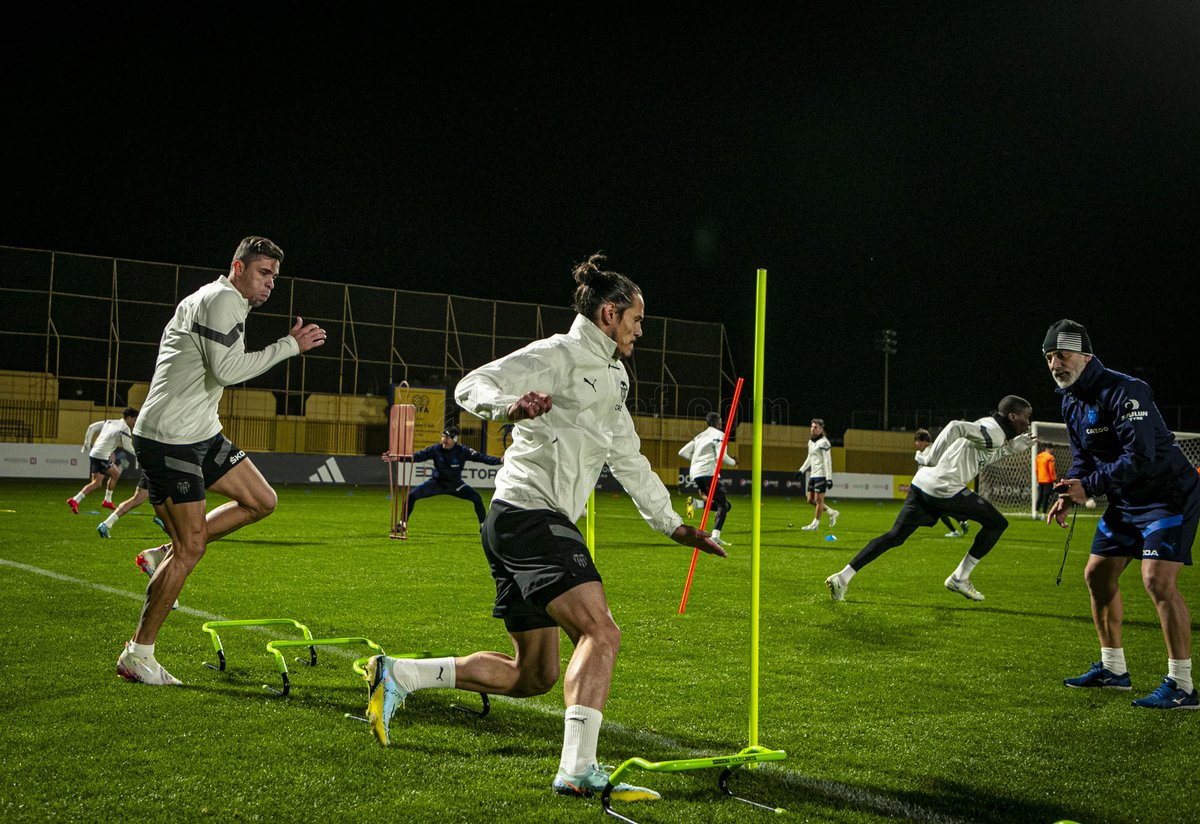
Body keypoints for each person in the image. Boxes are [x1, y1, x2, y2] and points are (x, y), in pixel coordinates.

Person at [361, 253, 727, 803]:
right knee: (601, 632)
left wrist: (673, 525)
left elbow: (627, 456)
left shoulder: (615, 377)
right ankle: (578, 770)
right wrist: (510, 406)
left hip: (519, 521)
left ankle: (400, 675)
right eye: (636, 320)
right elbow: (470, 387)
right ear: (610, 313)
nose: (640, 330)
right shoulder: (557, 354)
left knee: (532, 676)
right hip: (531, 515)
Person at [115, 236, 326, 686]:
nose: (270, 284)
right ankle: (138, 654)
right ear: (238, 267)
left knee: (262, 500)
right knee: (192, 549)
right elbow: (228, 371)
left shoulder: (227, 302)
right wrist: (290, 345)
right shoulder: (220, 301)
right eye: (263, 273)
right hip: (169, 438)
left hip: (200, 432)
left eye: (274, 275)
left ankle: (162, 554)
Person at [1044, 319, 1199, 710]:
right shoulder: (1070, 400)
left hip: (1168, 495)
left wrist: (1091, 486)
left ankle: (1183, 685)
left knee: (1157, 581)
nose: (1054, 364)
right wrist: (1069, 491)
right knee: (1096, 574)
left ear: (1085, 355)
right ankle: (1114, 671)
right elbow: (1082, 456)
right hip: (1126, 499)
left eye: (1061, 354)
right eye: (1049, 357)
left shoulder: (1126, 390)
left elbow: (1141, 457)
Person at [825, 396, 1034, 603]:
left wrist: (1008, 450)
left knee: (895, 536)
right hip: (944, 488)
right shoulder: (994, 434)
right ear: (1013, 416)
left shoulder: (987, 426)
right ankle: (959, 578)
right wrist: (932, 457)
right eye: (1027, 417)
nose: (1028, 422)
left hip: (922, 483)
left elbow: (980, 456)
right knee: (997, 523)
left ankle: (842, 577)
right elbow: (954, 426)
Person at [394, 425, 503, 537]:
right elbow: (416, 457)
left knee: (476, 497)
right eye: (443, 437)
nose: (444, 440)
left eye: (447, 438)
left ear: (455, 439)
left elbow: (482, 458)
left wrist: (499, 460)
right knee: (411, 496)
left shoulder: (463, 451)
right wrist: (399, 458)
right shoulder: (435, 449)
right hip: (437, 483)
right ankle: (402, 525)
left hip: (456, 485)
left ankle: (483, 526)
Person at [678, 411, 736, 545]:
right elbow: (721, 457)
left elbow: (682, 452)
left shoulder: (699, 436)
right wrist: (734, 462)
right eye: (720, 421)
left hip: (696, 473)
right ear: (717, 422)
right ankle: (715, 536)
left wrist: (697, 460)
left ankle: (696, 503)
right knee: (723, 504)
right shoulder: (719, 435)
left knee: (726, 505)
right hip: (708, 472)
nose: (721, 424)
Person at [67, 408, 137, 513]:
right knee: (106, 478)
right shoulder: (125, 428)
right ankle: (75, 500)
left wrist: (87, 442)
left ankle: (106, 501)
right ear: (129, 418)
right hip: (101, 456)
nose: (135, 423)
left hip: (94, 454)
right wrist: (139, 455)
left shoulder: (109, 422)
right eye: (134, 420)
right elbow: (127, 446)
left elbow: (92, 427)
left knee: (101, 481)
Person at [914, 428, 970, 538]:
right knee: (942, 509)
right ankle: (960, 522)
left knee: (939, 510)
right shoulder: (936, 448)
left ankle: (956, 528)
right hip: (938, 483)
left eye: (917, 441)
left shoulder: (927, 452)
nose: (916, 444)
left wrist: (918, 457)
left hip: (932, 485)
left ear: (924, 441)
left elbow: (927, 465)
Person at [797, 418, 839, 530]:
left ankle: (815, 524)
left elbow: (827, 460)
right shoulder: (811, 442)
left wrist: (829, 478)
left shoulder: (824, 442)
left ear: (821, 429)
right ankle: (831, 512)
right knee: (810, 500)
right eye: (812, 426)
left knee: (819, 500)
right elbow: (809, 458)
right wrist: (801, 470)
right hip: (813, 474)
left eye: (815, 427)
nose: (812, 429)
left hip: (822, 474)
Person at [1035, 443, 1057, 518]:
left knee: (1039, 497)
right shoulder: (1050, 457)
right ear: (1049, 449)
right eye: (1052, 449)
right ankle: (1043, 514)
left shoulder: (1038, 456)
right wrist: (1054, 480)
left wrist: (1038, 478)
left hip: (1040, 479)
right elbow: (1051, 470)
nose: (1053, 450)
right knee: (1045, 497)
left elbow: (1036, 469)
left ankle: (1036, 513)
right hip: (1048, 480)